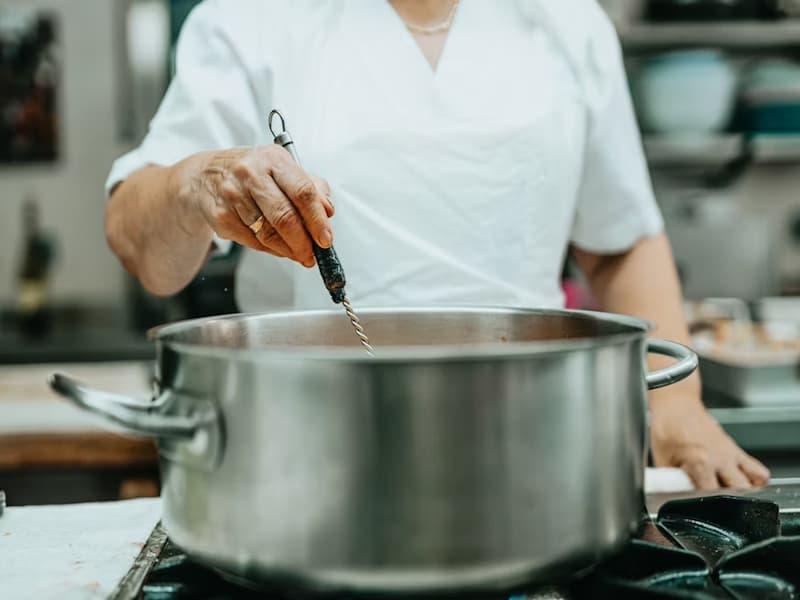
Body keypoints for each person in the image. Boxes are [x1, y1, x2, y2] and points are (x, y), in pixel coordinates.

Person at [105, 0, 770, 490]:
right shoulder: (249, 18)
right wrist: (195, 185)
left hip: (536, 461)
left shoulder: (570, 23)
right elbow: (142, 247)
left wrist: (677, 405)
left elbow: (618, 241)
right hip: (302, 461)